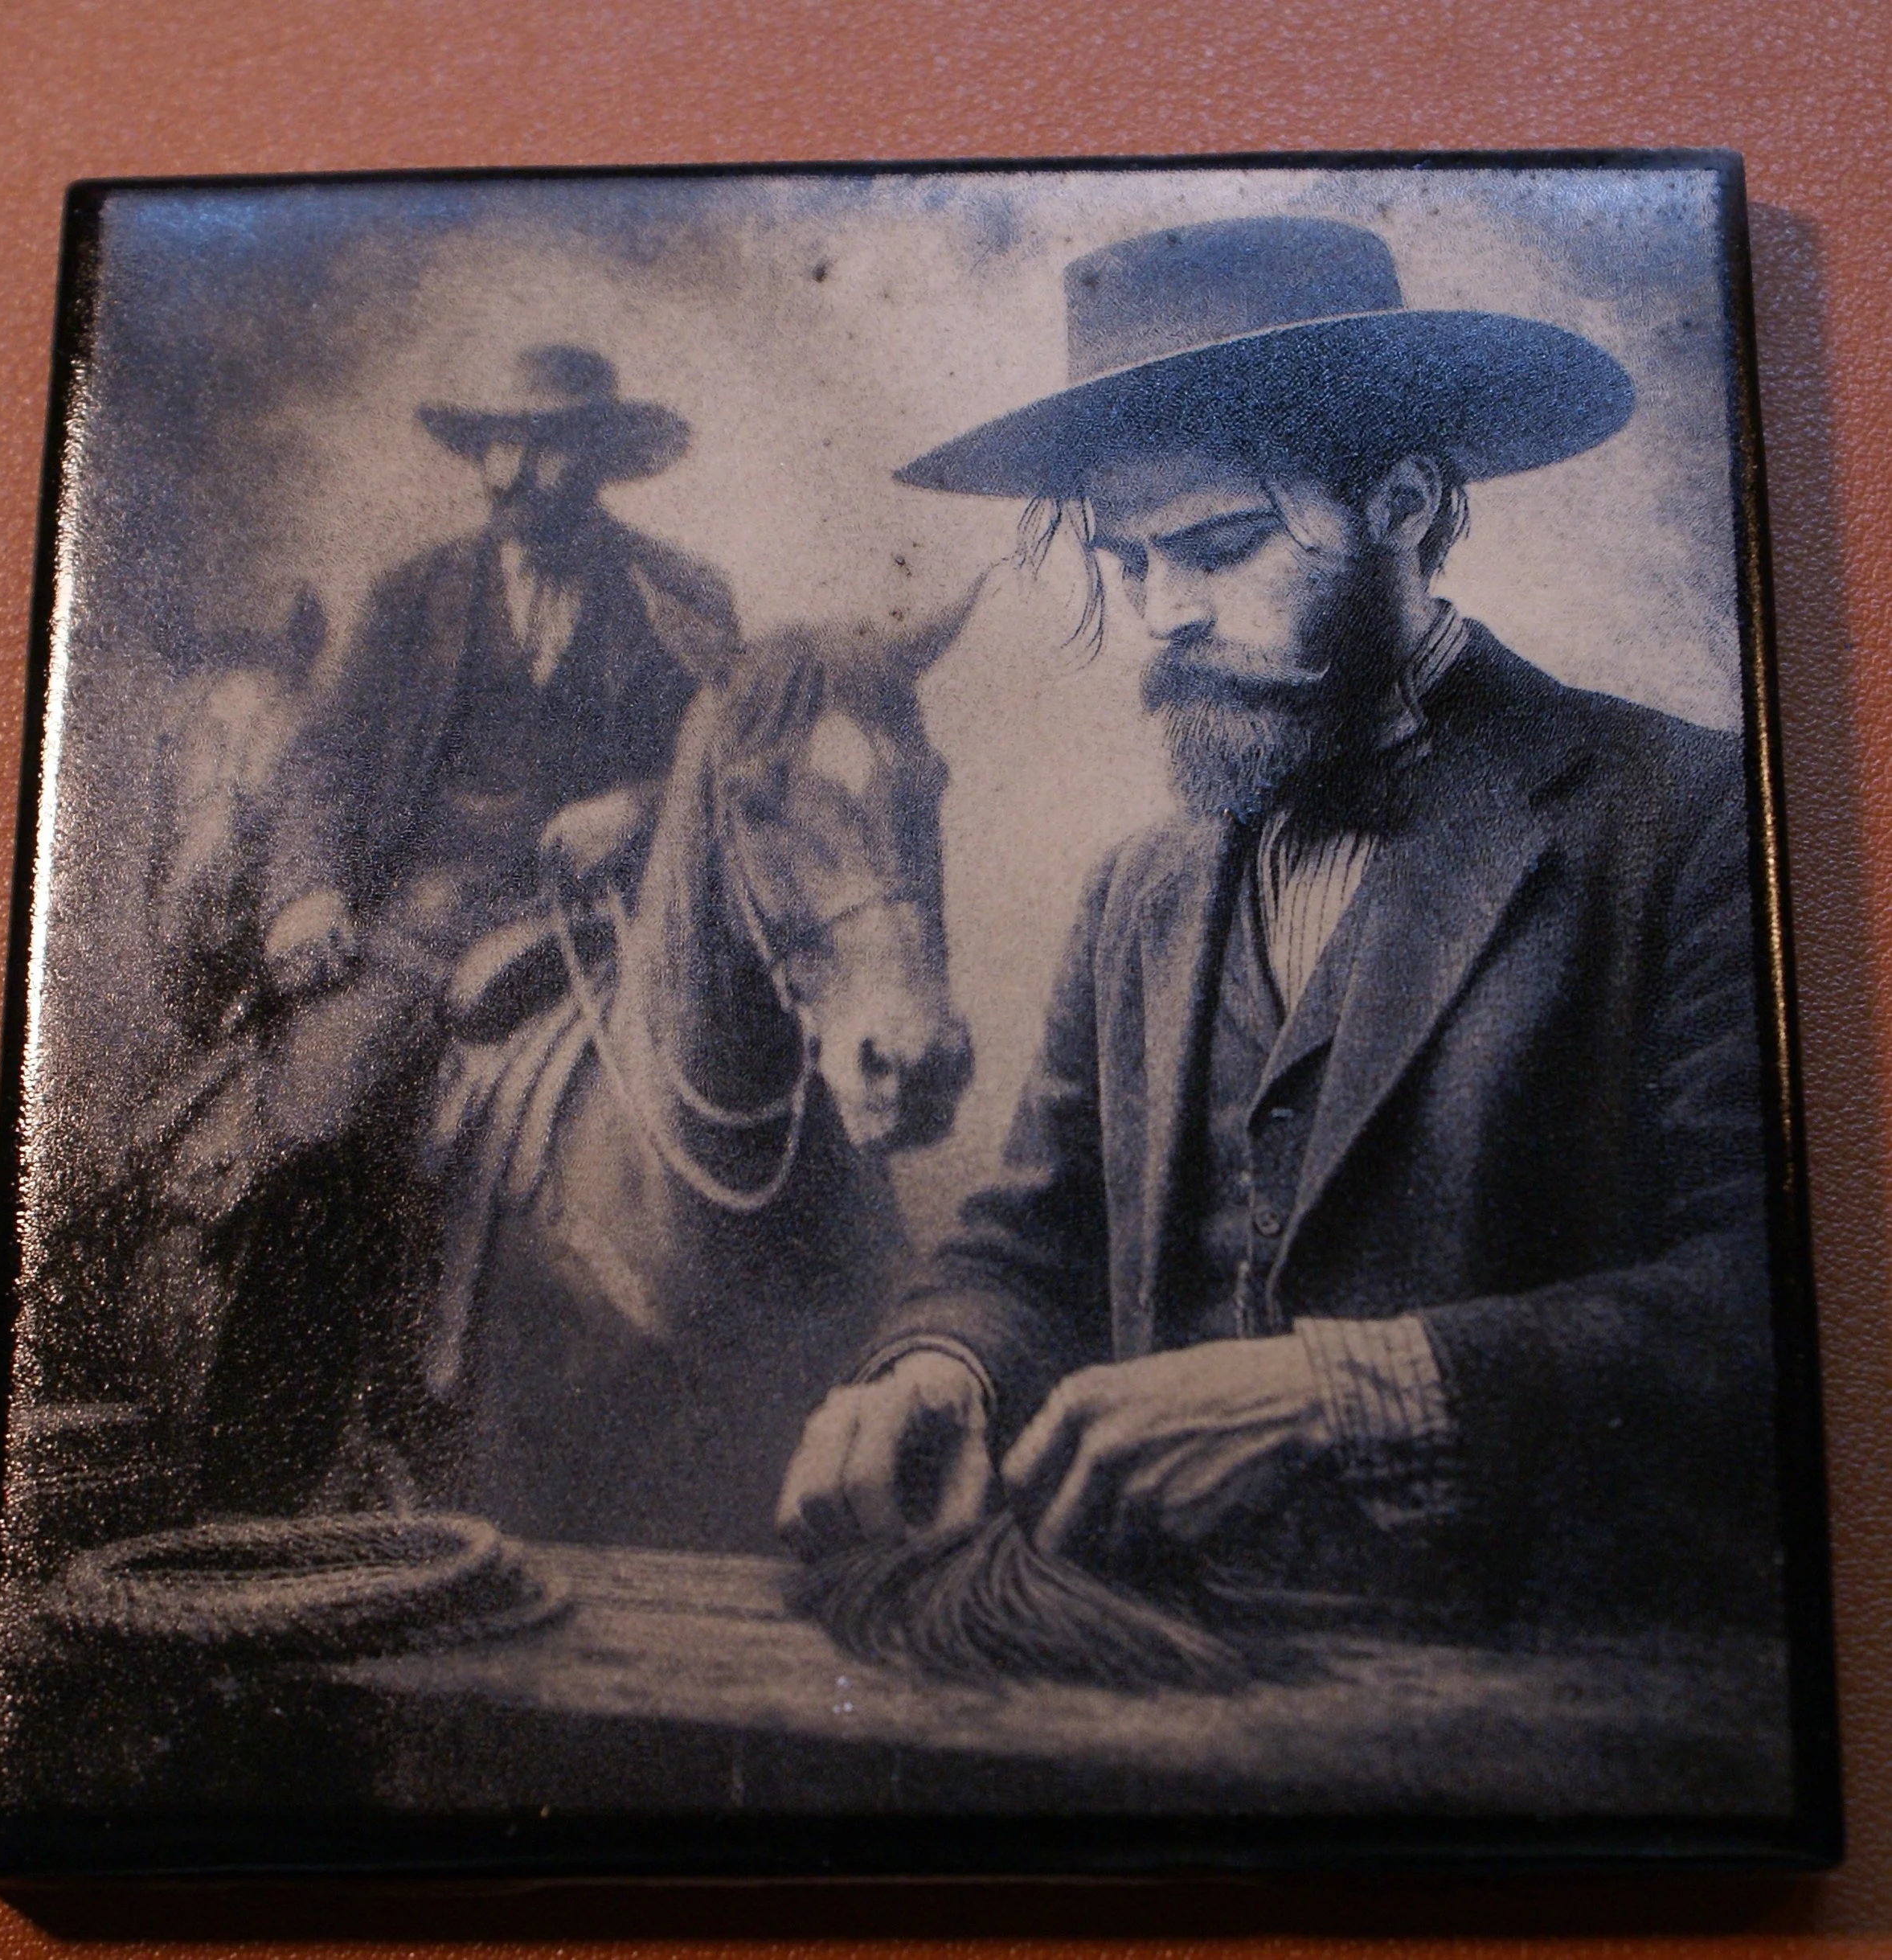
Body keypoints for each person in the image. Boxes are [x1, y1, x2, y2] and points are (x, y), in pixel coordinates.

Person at [778, 219, 1779, 1633]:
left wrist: (1343, 1394)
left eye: (1223, 544)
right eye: (1131, 563)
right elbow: (1033, 1244)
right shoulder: (1137, 890)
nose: (1165, 614)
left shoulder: (1687, 815)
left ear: (1406, 504)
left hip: (1544, 1691)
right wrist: (942, 1366)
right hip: (1162, 1673)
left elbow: (1768, 1302)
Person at [186, 344, 737, 1511]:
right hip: (420, 923)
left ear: (597, 461)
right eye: (492, 444)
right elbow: (326, 764)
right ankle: (254, 1483)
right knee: (326, 1128)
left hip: (611, 922)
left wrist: (638, 809)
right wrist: (308, 893)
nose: (506, 472)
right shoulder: (413, 594)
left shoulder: (685, 600)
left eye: (538, 447)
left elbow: (726, 754)